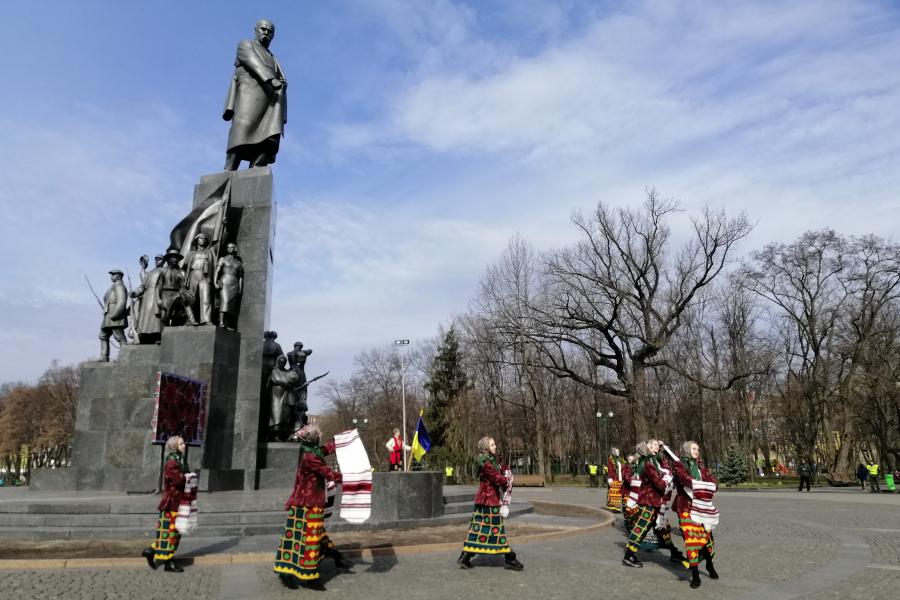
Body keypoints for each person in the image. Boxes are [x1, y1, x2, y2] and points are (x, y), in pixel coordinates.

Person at [274, 425, 346, 590]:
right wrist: (353, 477)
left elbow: (326, 449)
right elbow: (329, 473)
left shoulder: (310, 450)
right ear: (313, 438)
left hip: (305, 503)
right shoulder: (309, 456)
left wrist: (342, 439)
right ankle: (309, 577)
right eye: (317, 435)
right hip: (308, 504)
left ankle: (287, 573)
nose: (319, 437)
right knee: (308, 541)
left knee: (297, 539)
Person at [223, 19, 287, 170]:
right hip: (250, 93)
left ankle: (256, 168)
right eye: (263, 29)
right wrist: (271, 79)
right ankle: (229, 170)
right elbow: (252, 62)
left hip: (271, 101)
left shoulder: (272, 57)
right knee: (242, 130)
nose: (266, 33)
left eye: (269, 31)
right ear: (256, 30)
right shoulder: (246, 44)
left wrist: (282, 83)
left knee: (269, 138)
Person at [457, 436, 524, 571]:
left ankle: (465, 557)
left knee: (478, 529)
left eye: (494, 444)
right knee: (496, 531)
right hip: (488, 501)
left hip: (486, 501)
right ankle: (510, 558)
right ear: (486, 448)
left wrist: (507, 471)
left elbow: (500, 469)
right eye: (492, 445)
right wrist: (507, 480)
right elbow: (496, 477)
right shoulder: (485, 463)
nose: (495, 447)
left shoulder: (492, 460)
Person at [669, 441, 719, 589]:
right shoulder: (679, 465)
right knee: (692, 542)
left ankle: (709, 565)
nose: (697, 451)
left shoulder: (701, 467)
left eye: (698, 448)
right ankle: (696, 576)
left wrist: (711, 485)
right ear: (686, 450)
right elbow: (685, 480)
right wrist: (705, 486)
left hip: (702, 507)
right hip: (686, 507)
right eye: (694, 448)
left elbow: (713, 481)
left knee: (706, 540)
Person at [622, 439, 676, 568]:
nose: (657, 448)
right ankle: (629, 555)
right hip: (649, 501)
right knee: (642, 527)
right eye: (654, 446)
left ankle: (674, 553)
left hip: (654, 500)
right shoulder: (647, 463)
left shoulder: (653, 461)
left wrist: (664, 451)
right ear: (648, 448)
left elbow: (664, 466)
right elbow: (659, 483)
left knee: (661, 527)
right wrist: (668, 480)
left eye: (658, 446)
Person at [142, 436, 189, 572]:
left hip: (178, 500)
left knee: (172, 532)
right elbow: (179, 480)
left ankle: (151, 550)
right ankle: (169, 562)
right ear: (175, 446)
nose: (184, 445)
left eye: (183, 442)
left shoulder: (179, 459)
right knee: (171, 532)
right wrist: (189, 477)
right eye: (181, 443)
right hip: (172, 502)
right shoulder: (172, 462)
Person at [183, 233, 216, 326]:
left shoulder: (209, 251)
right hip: (193, 275)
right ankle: (190, 319)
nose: (203, 239)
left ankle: (206, 319)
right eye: (201, 238)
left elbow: (213, 266)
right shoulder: (191, 253)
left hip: (204, 276)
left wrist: (211, 278)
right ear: (196, 240)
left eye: (205, 238)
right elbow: (185, 267)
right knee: (190, 299)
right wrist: (185, 280)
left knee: (206, 299)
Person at [130, 255, 165, 344]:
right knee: (144, 319)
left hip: (157, 297)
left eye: (160, 259)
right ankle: (145, 336)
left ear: (164, 260)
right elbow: (142, 286)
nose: (157, 261)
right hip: (146, 297)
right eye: (156, 259)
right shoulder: (149, 273)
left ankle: (158, 336)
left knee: (156, 319)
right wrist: (135, 293)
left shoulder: (165, 271)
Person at [98, 270, 129, 361]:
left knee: (119, 336)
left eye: (114, 274)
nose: (112, 276)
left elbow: (122, 301)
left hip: (115, 316)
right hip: (109, 315)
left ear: (119, 276)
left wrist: (115, 314)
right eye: (111, 275)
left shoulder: (120, 286)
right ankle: (104, 356)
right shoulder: (113, 286)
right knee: (103, 335)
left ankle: (126, 357)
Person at [268, 355, 300, 441]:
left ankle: (283, 435)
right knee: (276, 415)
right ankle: (274, 435)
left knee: (286, 416)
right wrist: (286, 382)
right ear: (278, 361)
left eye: (284, 362)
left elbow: (293, 379)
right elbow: (275, 379)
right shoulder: (274, 370)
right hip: (276, 396)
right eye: (280, 362)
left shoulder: (287, 372)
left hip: (287, 395)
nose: (282, 363)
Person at [215, 242, 243, 329]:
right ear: (226, 249)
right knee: (225, 301)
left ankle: (226, 324)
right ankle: (221, 322)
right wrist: (215, 282)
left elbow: (240, 277)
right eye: (228, 247)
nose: (230, 249)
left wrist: (240, 288)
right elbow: (217, 271)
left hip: (234, 283)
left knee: (231, 305)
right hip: (224, 281)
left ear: (235, 249)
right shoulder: (222, 259)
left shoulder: (238, 263)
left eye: (232, 247)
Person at [606, 447, 625, 512]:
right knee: (615, 493)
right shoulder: (611, 459)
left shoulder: (620, 459)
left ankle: (617, 507)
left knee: (619, 493)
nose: (618, 453)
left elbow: (624, 466)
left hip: (620, 477)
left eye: (618, 452)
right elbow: (610, 469)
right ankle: (615, 508)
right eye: (616, 452)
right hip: (614, 478)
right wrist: (610, 478)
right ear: (613, 452)